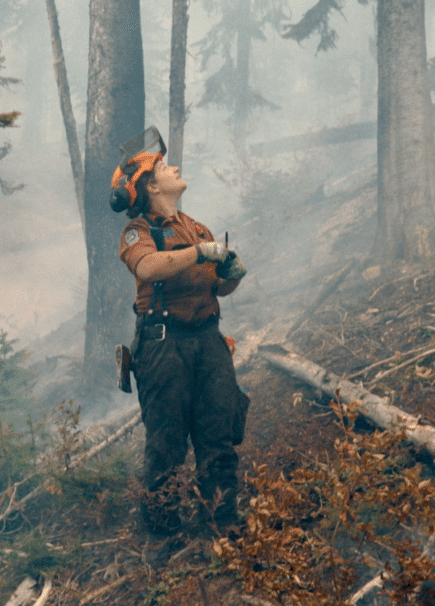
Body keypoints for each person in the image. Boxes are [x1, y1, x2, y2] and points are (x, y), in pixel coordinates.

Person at [111, 129, 251, 550]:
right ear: (151, 187)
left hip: (208, 340)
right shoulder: (137, 232)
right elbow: (149, 268)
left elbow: (218, 288)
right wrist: (201, 253)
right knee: (166, 443)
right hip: (162, 345)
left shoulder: (196, 227)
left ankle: (222, 525)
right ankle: (162, 536)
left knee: (218, 434)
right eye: (163, 167)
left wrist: (232, 274)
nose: (172, 167)